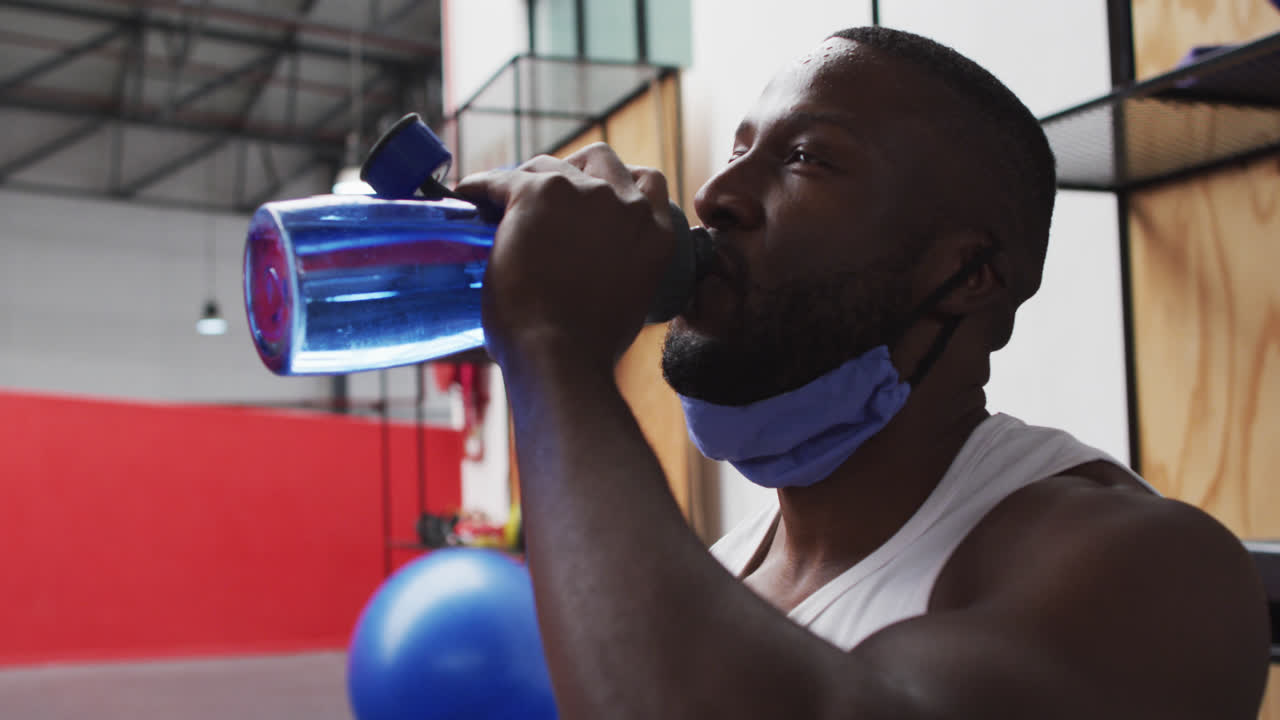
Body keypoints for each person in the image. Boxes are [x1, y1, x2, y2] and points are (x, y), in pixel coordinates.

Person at [456, 26, 1270, 719]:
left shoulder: (1155, 569)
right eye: (738, 150)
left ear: (969, 273)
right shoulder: (718, 573)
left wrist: (552, 344)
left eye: (805, 157)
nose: (714, 194)